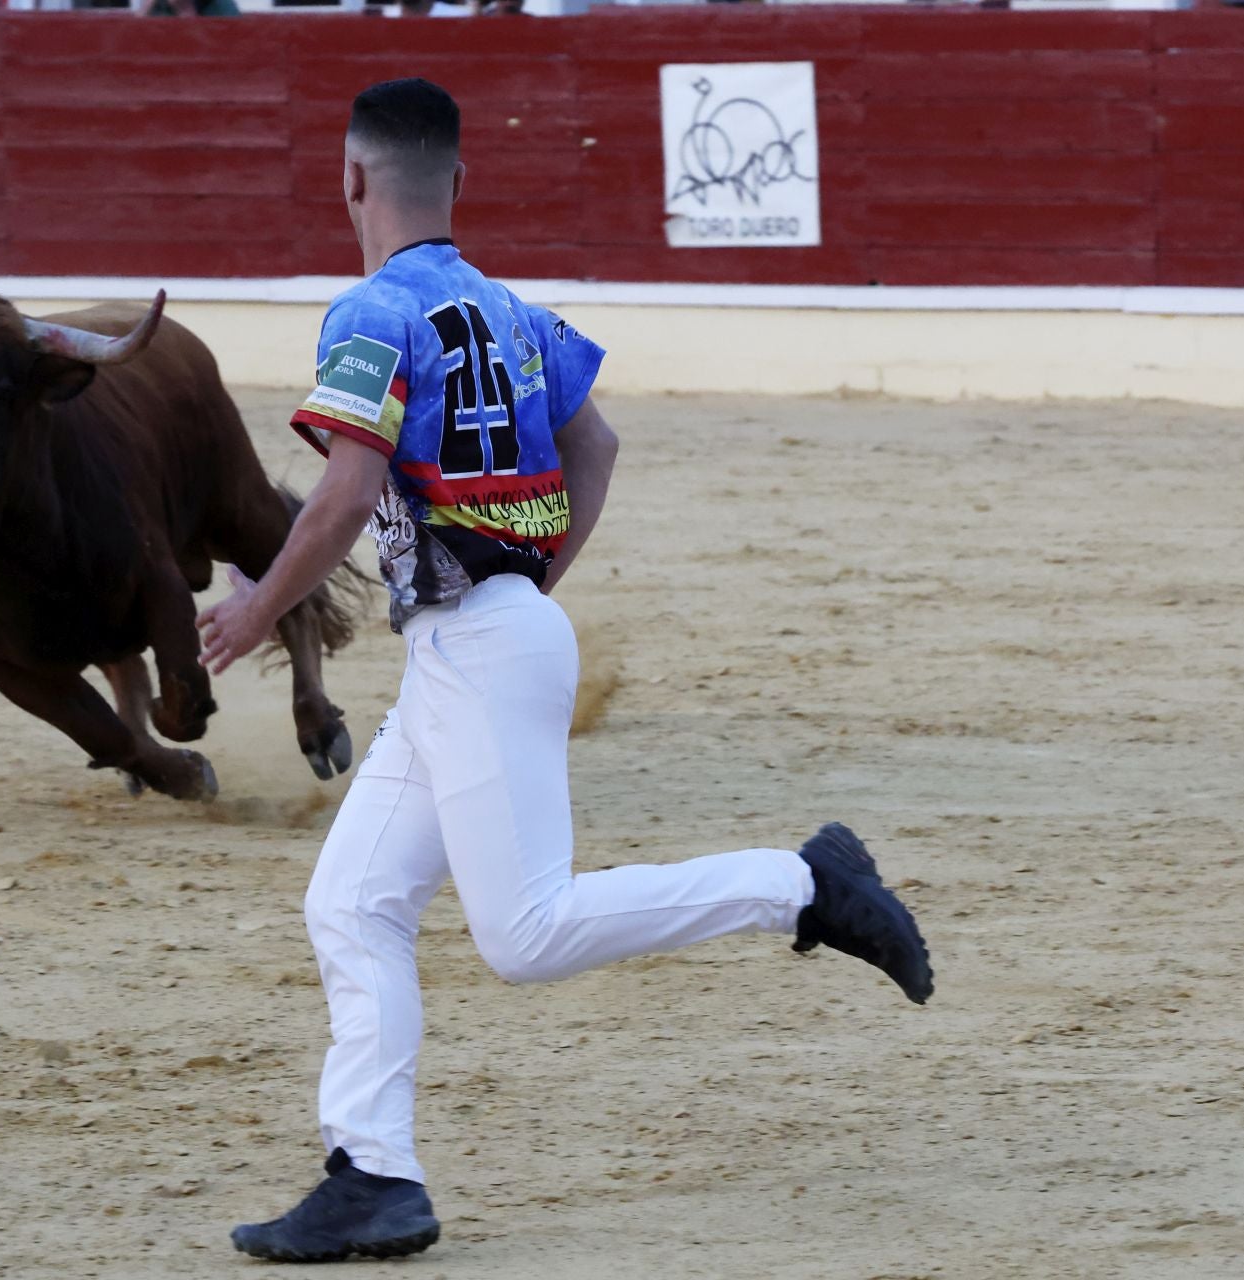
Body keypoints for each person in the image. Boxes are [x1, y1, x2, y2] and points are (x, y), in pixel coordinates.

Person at [196, 78, 933, 1264]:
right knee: (350, 900)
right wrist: (529, 579)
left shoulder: (370, 313)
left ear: (348, 179)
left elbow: (343, 491)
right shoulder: (507, 308)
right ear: (459, 184)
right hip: (480, 640)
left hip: (477, 644)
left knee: (525, 932)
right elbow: (597, 438)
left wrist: (255, 607)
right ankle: (374, 1172)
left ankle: (799, 885)